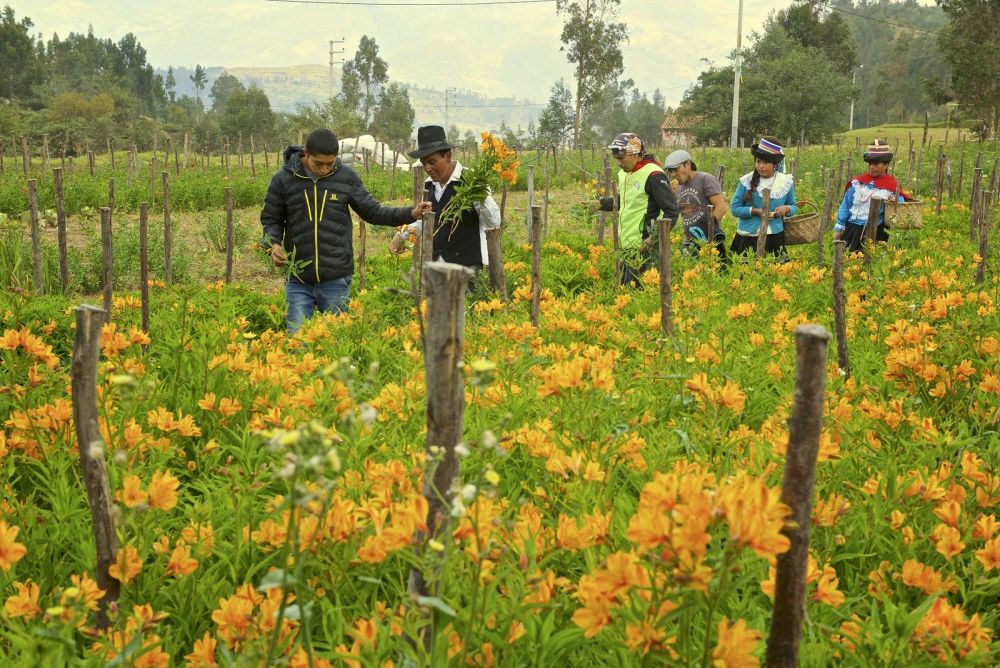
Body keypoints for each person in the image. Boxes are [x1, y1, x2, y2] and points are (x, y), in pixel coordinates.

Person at [261, 128, 431, 333]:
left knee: (336, 340)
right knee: (297, 340)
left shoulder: (345, 177)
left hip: (335, 277)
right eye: (318, 164)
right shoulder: (283, 179)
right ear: (306, 154)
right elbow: (272, 219)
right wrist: (273, 244)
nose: (324, 169)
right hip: (299, 278)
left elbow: (373, 212)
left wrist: (410, 214)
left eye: (330, 164)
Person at [389, 126, 501, 278]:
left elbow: (493, 222)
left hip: (467, 268)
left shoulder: (471, 180)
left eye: (432, 162)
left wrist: (479, 195)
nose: (427, 168)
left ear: (447, 156)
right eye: (424, 163)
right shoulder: (429, 185)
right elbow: (426, 221)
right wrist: (401, 235)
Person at [594, 132, 678, 286]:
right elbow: (625, 201)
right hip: (628, 247)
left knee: (634, 296)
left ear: (635, 154)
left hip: (644, 249)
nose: (618, 163)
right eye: (616, 159)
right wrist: (601, 204)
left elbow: (671, 211)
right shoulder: (625, 174)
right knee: (626, 294)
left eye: (621, 158)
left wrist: (652, 240)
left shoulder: (653, 175)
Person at [834, 138, 912, 252]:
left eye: (876, 164)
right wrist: (838, 228)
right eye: (870, 163)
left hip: (877, 232)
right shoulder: (858, 183)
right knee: (849, 263)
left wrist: (893, 202)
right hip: (852, 230)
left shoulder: (891, 186)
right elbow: (846, 205)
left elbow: (900, 210)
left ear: (886, 165)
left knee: (872, 263)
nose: (872, 167)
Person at [729, 136, 798, 259]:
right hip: (748, 237)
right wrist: (755, 211)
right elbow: (734, 208)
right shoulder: (746, 181)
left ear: (775, 164)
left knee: (776, 273)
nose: (761, 166)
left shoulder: (785, 182)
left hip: (774, 236)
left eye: (765, 162)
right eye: (758, 162)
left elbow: (794, 206)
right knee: (745, 274)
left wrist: (786, 209)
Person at [664, 149, 728, 262]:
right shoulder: (677, 187)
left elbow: (721, 207)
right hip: (688, 241)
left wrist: (708, 233)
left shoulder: (705, 179)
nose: (673, 174)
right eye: (670, 171)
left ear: (687, 164)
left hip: (709, 240)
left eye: (676, 169)